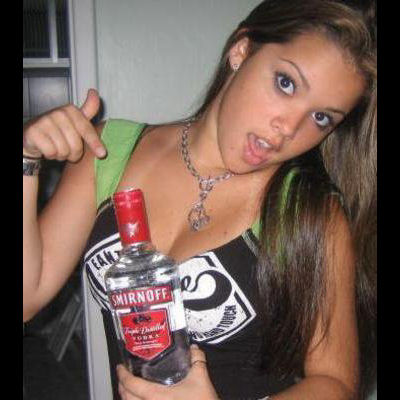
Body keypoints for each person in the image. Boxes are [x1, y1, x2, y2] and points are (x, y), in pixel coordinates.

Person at [23, 0, 377, 399]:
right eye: (286, 83)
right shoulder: (108, 150)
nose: (288, 128)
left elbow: (335, 382)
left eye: (321, 118)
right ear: (241, 51)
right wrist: (26, 157)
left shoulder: (309, 211)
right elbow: (27, 295)